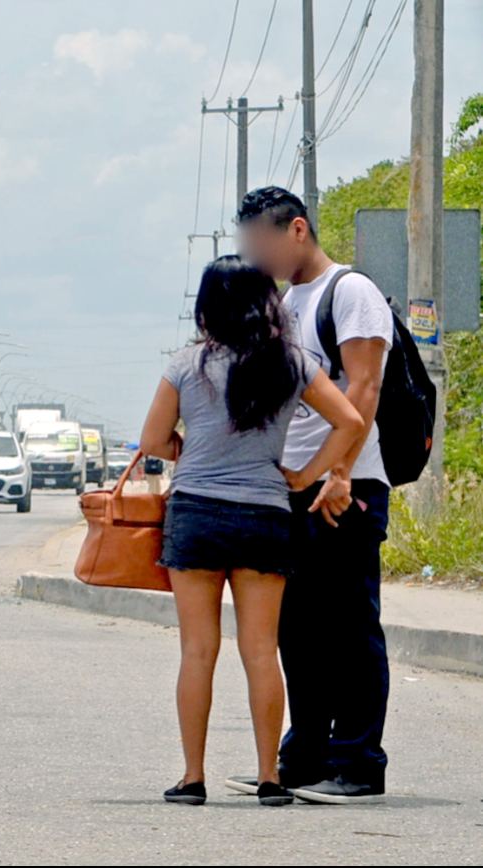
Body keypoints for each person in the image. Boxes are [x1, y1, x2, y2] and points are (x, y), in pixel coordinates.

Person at [140, 256, 363, 807]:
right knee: (262, 651)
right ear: (267, 301)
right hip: (265, 513)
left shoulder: (187, 364)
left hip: (196, 514)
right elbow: (352, 420)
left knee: (198, 652)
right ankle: (270, 778)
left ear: (206, 304)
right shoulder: (291, 362)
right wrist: (307, 476)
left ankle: (193, 778)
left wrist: (192, 451)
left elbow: (150, 440)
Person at [230, 186, 395, 805]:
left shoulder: (348, 292)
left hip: (345, 486)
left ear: (297, 230)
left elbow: (366, 386)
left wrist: (339, 471)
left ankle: (358, 764)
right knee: (296, 630)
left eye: (263, 243)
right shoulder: (280, 302)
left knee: (350, 627)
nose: (257, 255)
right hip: (291, 486)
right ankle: (302, 759)